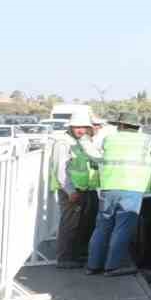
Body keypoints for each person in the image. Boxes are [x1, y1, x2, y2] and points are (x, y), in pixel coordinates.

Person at [85, 118, 151, 277]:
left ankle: (92, 266)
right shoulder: (147, 140)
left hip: (108, 187)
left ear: (120, 126)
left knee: (103, 226)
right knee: (123, 227)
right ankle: (113, 267)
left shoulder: (109, 139)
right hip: (132, 188)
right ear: (137, 126)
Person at [49, 105, 103, 268]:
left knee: (85, 225)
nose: (80, 130)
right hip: (71, 191)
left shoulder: (83, 142)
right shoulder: (63, 143)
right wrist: (70, 190)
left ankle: (78, 255)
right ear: (71, 127)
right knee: (70, 225)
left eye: (84, 127)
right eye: (77, 127)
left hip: (86, 190)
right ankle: (65, 258)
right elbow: (60, 170)